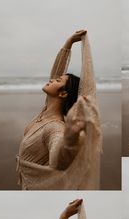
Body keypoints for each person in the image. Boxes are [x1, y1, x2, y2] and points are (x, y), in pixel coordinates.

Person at [17, 31, 102, 190]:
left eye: (57, 81)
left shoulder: (55, 128)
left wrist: (70, 137)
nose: (52, 79)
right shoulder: (45, 111)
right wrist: (68, 44)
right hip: (26, 184)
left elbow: (58, 160)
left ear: (63, 93)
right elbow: (56, 72)